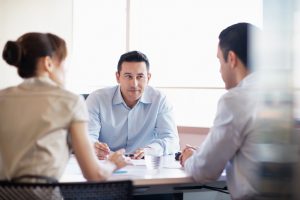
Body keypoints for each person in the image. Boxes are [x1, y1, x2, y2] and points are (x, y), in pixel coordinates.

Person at [0, 32, 128, 183]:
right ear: (48, 63)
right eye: (63, 61)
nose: (66, 69)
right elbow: (95, 174)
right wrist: (112, 163)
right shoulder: (70, 101)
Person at [180, 23, 260, 200]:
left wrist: (190, 158)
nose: (219, 70)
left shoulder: (236, 100)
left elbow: (204, 171)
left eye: (219, 60)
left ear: (231, 58)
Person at [86, 51, 179, 160]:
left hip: (144, 165)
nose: (134, 84)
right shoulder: (97, 99)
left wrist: (150, 150)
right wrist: (93, 147)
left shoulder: (160, 100)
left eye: (140, 76)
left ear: (148, 78)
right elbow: (86, 136)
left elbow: (171, 140)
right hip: (105, 163)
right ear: (118, 77)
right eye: (128, 76)